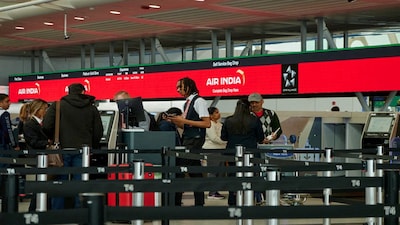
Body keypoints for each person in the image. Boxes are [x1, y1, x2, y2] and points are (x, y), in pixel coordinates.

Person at [42, 83, 103, 209]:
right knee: (80, 182)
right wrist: (93, 146)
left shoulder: (58, 106)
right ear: (83, 91)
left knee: (59, 182)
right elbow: (98, 131)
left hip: (61, 150)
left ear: (68, 92)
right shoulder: (91, 108)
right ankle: (79, 212)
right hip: (83, 151)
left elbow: (47, 125)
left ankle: (58, 213)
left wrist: (54, 138)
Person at [169, 77, 211, 206]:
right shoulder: (187, 103)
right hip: (188, 138)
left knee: (179, 170)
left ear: (188, 86)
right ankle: (199, 203)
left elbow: (206, 123)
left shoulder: (199, 101)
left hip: (194, 140)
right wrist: (176, 121)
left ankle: (175, 203)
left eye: (179, 87)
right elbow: (187, 126)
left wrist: (184, 121)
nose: (177, 90)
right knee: (195, 172)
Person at [221, 98, 264, 206]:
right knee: (251, 176)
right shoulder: (254, 120)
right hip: (251, 153)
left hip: (232, 153)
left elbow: (223, 137)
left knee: (233, 176)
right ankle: (250, 200)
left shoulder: (228, 120)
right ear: (249, 107)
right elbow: (260, 138)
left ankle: (232, 200)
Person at [23, 99, 50, 211]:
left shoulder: (40, 123)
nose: (46, 111)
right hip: (37, 157)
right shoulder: (30, 124)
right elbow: (33, 142)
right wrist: (47, 142)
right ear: (38, 110)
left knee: (43, 185)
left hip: (42, 158)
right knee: (40, 185)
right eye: (44, 109)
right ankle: (33, 209)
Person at [202, 106, 227, 200]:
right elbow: (214, 138)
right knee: (213, 172)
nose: (218, 114)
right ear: (210, 115)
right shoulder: (209, 124)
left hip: (220, 150)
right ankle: (211, 192)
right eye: (216, 112)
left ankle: (216, 191)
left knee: (220, 172)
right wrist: (225, 142)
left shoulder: (219, 124)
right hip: (212, 150)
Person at [0, 93, 20, 201]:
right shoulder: (4, 114)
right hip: (3, 146)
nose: (10, 103)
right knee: (4, 170)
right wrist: (14, 145)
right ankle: (4, 193)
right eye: (7, 101)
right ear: (1, 103)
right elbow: (8, 131)